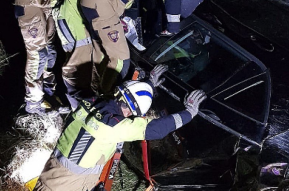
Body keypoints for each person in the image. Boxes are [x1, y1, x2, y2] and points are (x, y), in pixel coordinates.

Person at [33, 64, 207, 191]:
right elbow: (156, 129)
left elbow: (127, 96)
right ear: (131, 111)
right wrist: (189, 113)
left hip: (51, 173)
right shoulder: (112, 127)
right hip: (66, 186)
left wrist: (148, 85)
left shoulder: (91, 103)